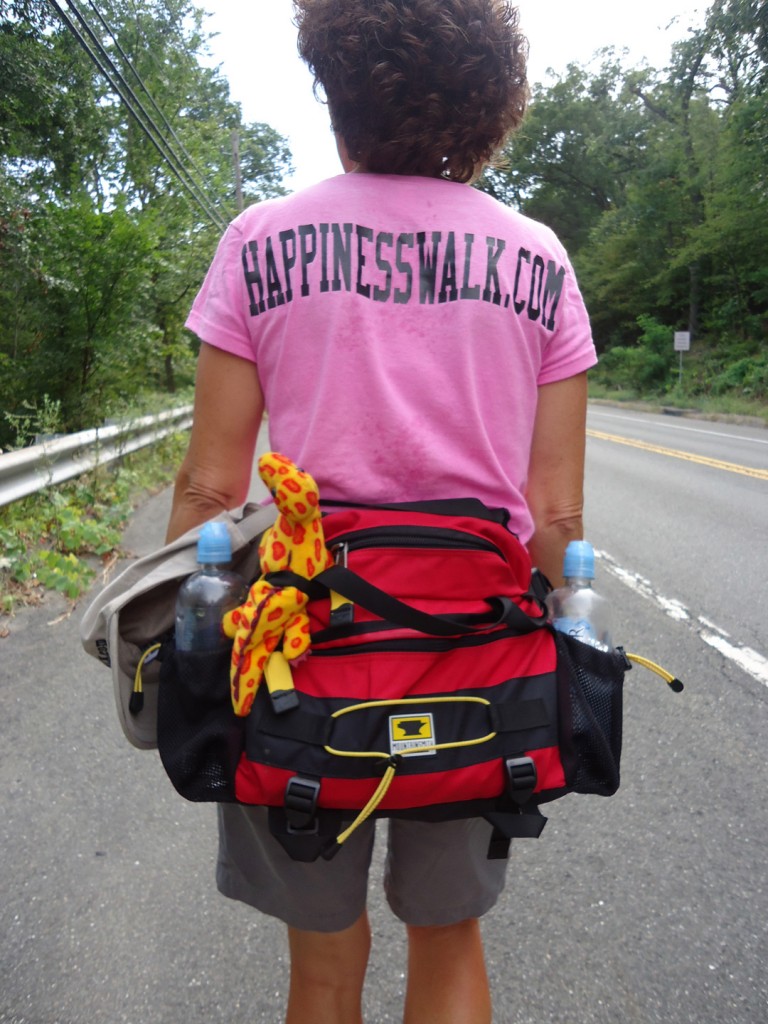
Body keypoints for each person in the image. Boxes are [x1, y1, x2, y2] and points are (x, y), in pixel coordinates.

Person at [166, 1, 597, 1020]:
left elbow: (210, 493)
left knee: (321, 957)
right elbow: (556, 510)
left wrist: (170, 637)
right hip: (479, 655)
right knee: (449, 939)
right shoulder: (539, 259)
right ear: (488, 107)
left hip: (295, 657)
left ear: (338, 86)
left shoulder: (261, 240)